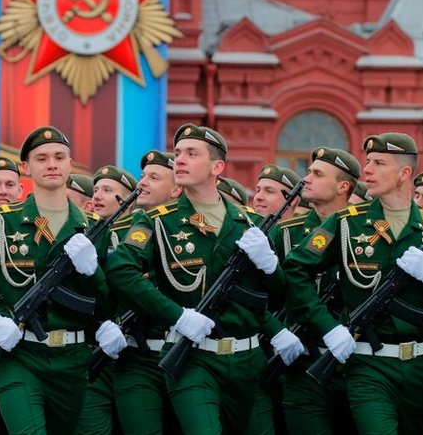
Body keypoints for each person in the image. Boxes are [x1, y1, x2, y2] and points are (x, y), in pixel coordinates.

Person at [107, 124, 294, 435]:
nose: (179, 160)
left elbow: (276, 296)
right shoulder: (156, 220)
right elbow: (120, 270)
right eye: (178, 153)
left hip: (247, 359)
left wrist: (270, 265)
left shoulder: (250, 223)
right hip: (191, 358)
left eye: (191, 154)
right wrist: (176, 315)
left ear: (217, 167)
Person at [0, 126, 116, 434]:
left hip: (73, 359)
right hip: (19, 356)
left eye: (59, 157)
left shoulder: (94, 227)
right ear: (26, 168)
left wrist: (92, 272)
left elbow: (110, 299)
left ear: (71, 165)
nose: (52, 164)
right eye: (41, 158)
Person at [282, 133, 423, 435]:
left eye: (378, 163)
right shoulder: (346, 222)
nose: (367, 169)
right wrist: (328, 327)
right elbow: (296, 268)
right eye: (368, 161)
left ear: (404, 173)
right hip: (367, 364)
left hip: (422, 366)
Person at [269, 146, 361, 435]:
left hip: (357, 362)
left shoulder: (367, 230)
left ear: (343, 186)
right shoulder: (287, 232)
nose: (306, 178)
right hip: (302, 362)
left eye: (317, 174)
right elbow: (255, 294)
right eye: (308, 171)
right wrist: (276, 331)